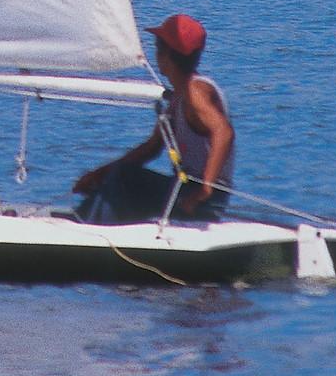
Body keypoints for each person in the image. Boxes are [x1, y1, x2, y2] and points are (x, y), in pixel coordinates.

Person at [72, 13, 235, 223]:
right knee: (121, 175)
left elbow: (223, 131)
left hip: (199, 201)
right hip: (185, 192)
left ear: (165, 55)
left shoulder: (195, 91)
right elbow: (151, 149)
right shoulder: (179, 96)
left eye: (157, 49)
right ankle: (86, 219)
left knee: (125, 177)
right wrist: (99, 175)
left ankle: (89, 227)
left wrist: (205, 189)